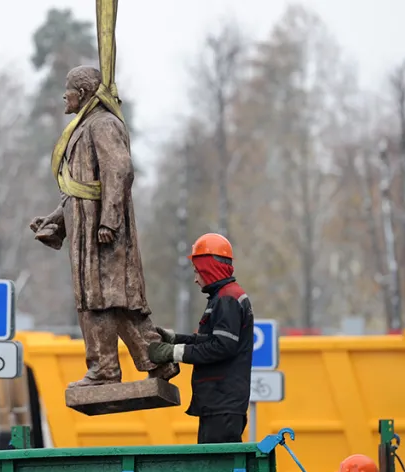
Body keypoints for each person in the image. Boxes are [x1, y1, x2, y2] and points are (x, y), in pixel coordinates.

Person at [29, 65, 177, 387]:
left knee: (103, 299)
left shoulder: (103, 124)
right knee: (109, 299)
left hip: (103, 232)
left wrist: (109, 220)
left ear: (82, 94)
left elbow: (119, 170)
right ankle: (155, 360)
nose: (62, 97)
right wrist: (55, 222)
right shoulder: (83, 127)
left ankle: (104, 369)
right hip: (86, 230)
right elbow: (79, 189)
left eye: (66, 90)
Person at [146, 232, 254, 443]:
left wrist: (173, 352)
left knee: (216, 471)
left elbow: (222, 347)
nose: (196, 279)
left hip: (222, 405)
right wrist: (175, 339)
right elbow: (210, 341)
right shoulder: (223, 297)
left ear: (209, 268)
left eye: (197, 271)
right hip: (219, 405)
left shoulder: (227, 299)